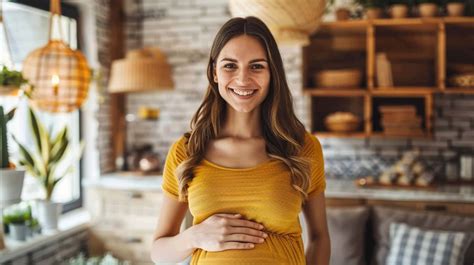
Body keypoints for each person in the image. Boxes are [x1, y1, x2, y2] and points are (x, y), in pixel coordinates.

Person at [150, 16, 330, 265]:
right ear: (214, 73)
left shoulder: (302, 148)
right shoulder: (187, 151)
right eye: (230, 66)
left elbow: (320, 238)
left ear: (272, 73)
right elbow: (159, 253)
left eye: (256, 66)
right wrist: (194, 236)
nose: (243, 79)